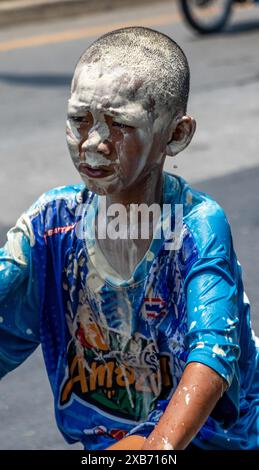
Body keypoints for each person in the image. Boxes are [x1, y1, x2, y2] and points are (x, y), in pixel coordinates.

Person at [0, 26, 258, 451]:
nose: (94, 143)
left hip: (212, 440)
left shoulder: (194, 226)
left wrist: (157, 450)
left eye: (119, 124)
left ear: (175, 135)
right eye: (79, 120)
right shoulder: (52, 226)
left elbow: (212, 353)